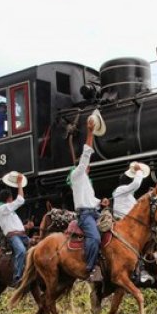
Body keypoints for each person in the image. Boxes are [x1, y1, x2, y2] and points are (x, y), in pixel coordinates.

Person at [70, 116, 101, 282]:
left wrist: (100, 202)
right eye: (85, 164)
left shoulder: (86, 182)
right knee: (95, 237)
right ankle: (89, 269)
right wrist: (90, 132)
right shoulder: (77, 174)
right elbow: (86, 153)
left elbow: (91, 199)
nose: (88, 166)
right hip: (85, 216)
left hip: (95, 211)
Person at [0, 175, 29, 286]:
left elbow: (13, 226)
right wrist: (19, 184)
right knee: (21, 251)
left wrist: (26, 227)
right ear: (9, 199)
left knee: (37, 246)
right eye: (11, 198)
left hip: (21, 235)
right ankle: (17, 278)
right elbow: (20, 200)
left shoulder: (8, 211)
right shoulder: (2, 209)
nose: (12, 199)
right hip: (13, 237)